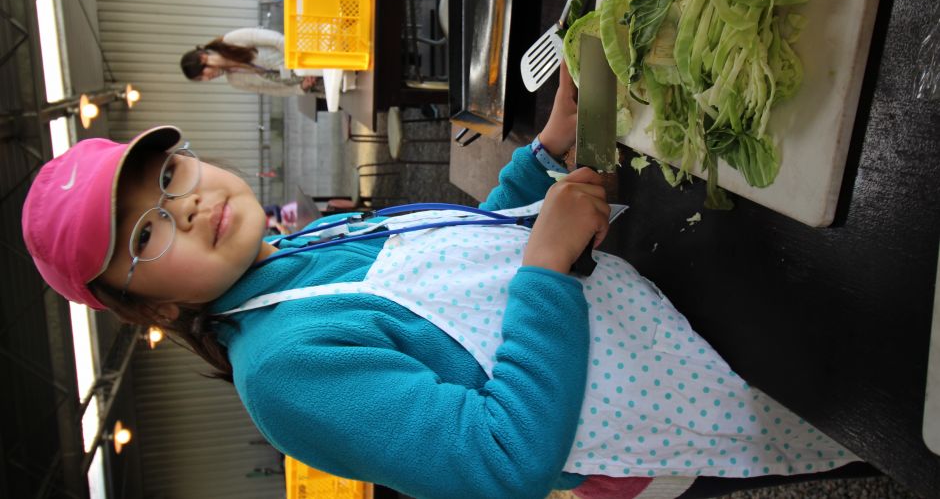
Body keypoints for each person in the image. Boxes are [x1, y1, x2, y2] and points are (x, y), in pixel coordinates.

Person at [22, 65, 858, 499]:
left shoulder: (297, 247)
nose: (186, 204)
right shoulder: (281, 373)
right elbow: (500, 463)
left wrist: (543, 157)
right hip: (663, 412)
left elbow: (466, 271)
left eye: (170, 174)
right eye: (144, 233)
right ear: (154, 306)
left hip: (652, 315)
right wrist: (546, 267)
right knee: (866, 400)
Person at [179, 28, 319, 97]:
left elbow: (277, 40)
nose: (207, 79)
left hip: (309, 56)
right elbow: (271, 90)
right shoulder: (235, 82)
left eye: (201, 75)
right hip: (311, 82)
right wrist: (301, 88)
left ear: (203, 58)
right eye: (201, 80)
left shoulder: (232, 40)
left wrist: (299, 64)